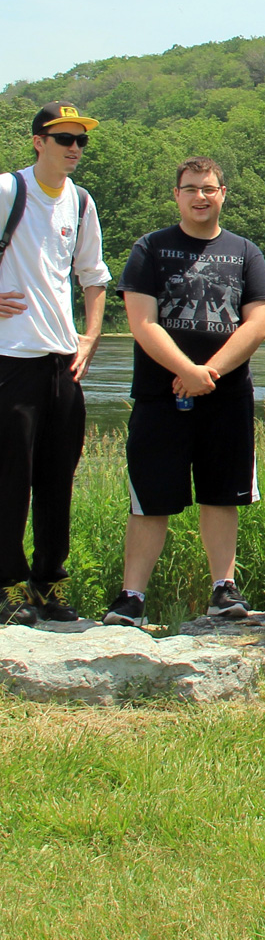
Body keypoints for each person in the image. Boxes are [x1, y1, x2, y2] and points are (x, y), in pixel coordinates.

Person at [102, 158, 265, 626]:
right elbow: (142, 322)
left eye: (209, 188)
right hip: (161, 396)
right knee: (150, 497)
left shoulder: (245, 252)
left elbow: (258, 321)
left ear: (224, 193)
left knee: (222, 496)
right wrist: (185, 370)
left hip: (227, 395)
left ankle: (223, 588)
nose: (201, 196)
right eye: (191, 188)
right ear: (176, 195)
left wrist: (209, 372)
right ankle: (131, 597)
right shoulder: (150, 248)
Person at [0, 104, 109, 626]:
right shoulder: (7, 191)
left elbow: (93, 275)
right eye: (63, 138)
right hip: (10, 357)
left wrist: (89, 335)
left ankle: (46, 585)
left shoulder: (82, 202)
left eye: (81, 140)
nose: (74, 148)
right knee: (8, 476)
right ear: (38, 141)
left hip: (64, 359)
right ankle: (4, 587)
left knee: (57, 476)